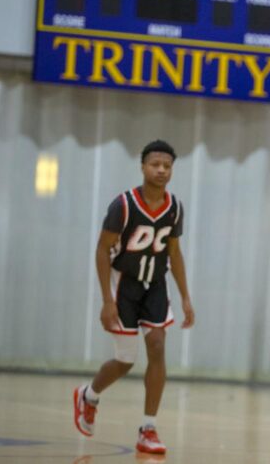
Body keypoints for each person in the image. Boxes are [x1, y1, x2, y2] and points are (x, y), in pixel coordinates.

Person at [73, 140, 195, 455]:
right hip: (123, 283)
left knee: (157, 345)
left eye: (167, 166)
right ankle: (89, 394)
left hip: (154, 284)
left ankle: (148, 427)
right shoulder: (123, 205)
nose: (161, 170)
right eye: (155, 164)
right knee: (125, 360)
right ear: (142, 167)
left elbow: (174, 252)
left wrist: (185, 298)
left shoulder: (175, 208)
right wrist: (106, 300)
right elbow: (102, 250)